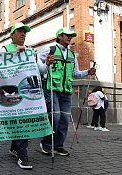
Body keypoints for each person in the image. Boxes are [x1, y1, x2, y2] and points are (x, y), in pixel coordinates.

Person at [37, 28, 96, 156]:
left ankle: (58, 145)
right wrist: (46, 65)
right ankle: (46, 143)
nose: (70, 37)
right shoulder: (49, 50)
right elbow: (38, 66)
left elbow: (75, 74)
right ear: (59, 36)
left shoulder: (72, 54)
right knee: (55, 116)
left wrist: (87, 72)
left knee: (64, 118)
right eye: (67, 35)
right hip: (51, 89)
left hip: (67, 91)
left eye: (71, 36)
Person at [1, 22, 36, 170]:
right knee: (20, 122)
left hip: (28, 91)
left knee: (22, 122)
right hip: (12, 91)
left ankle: (16, 148)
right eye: (19, 31)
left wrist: (46, 63)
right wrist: (16, 53)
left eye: (24, 32)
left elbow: (39, 68)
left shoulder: (30, 50)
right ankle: (22, 154)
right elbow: (0, 67)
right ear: (12, 35)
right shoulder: (5, 49)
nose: (23, 34)